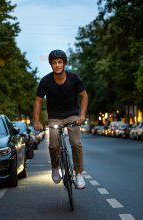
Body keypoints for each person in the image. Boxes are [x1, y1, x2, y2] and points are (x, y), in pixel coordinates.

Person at [33, 49, 88, 189]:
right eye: (54, 63)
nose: (57, 65)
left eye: (60, 62)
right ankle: (55, 167)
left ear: (64, 64)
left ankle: (79, 173)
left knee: (76, 143)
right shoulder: (45, 81)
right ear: (51, 65)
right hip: (55, 118)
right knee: (53, 145)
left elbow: (84, 96)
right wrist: (36, 121)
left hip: (72, 115)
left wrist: (82, 116)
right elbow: (38, 101)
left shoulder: (74, 78)